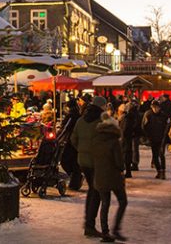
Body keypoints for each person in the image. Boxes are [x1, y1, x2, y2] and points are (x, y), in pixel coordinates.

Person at [70, 95, 106, 238]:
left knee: (92, 190)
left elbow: (73, 139)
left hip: (83, 161)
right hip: (96, 161)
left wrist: (82, 149)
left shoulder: (80, 120)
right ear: (101, 107)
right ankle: (89, 226)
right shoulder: (101, 121)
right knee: (96, 192)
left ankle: (88, 224)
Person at [92, 112, 128, 243]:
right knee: (123, 201)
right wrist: (122, 170)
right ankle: (116, 229)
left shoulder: (96, 139)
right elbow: (119, 162)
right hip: (113, 177)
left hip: (100, 176)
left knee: (105, 204)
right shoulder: (114, 142)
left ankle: (105, 233)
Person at [142, 100, 168, 179]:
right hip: (152, 138)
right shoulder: (148, 114)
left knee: (161, 154)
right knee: (155, 155)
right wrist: (147, 136)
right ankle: (159, 171)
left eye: (157, 107)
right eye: (154, 107)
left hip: (161, 138)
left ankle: (163, 172)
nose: (155, 109)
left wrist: (166, 137)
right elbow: (144, 126)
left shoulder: (163, 116)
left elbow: (167, 127)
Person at [117, 103, 135, 178]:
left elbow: (124, 129)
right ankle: (127, 171)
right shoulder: (125, 118)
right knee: (126, 155)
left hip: (125, 140)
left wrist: (121, 137)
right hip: (126, 139)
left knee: (125, 155)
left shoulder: (125, 118)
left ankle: (127, 172)